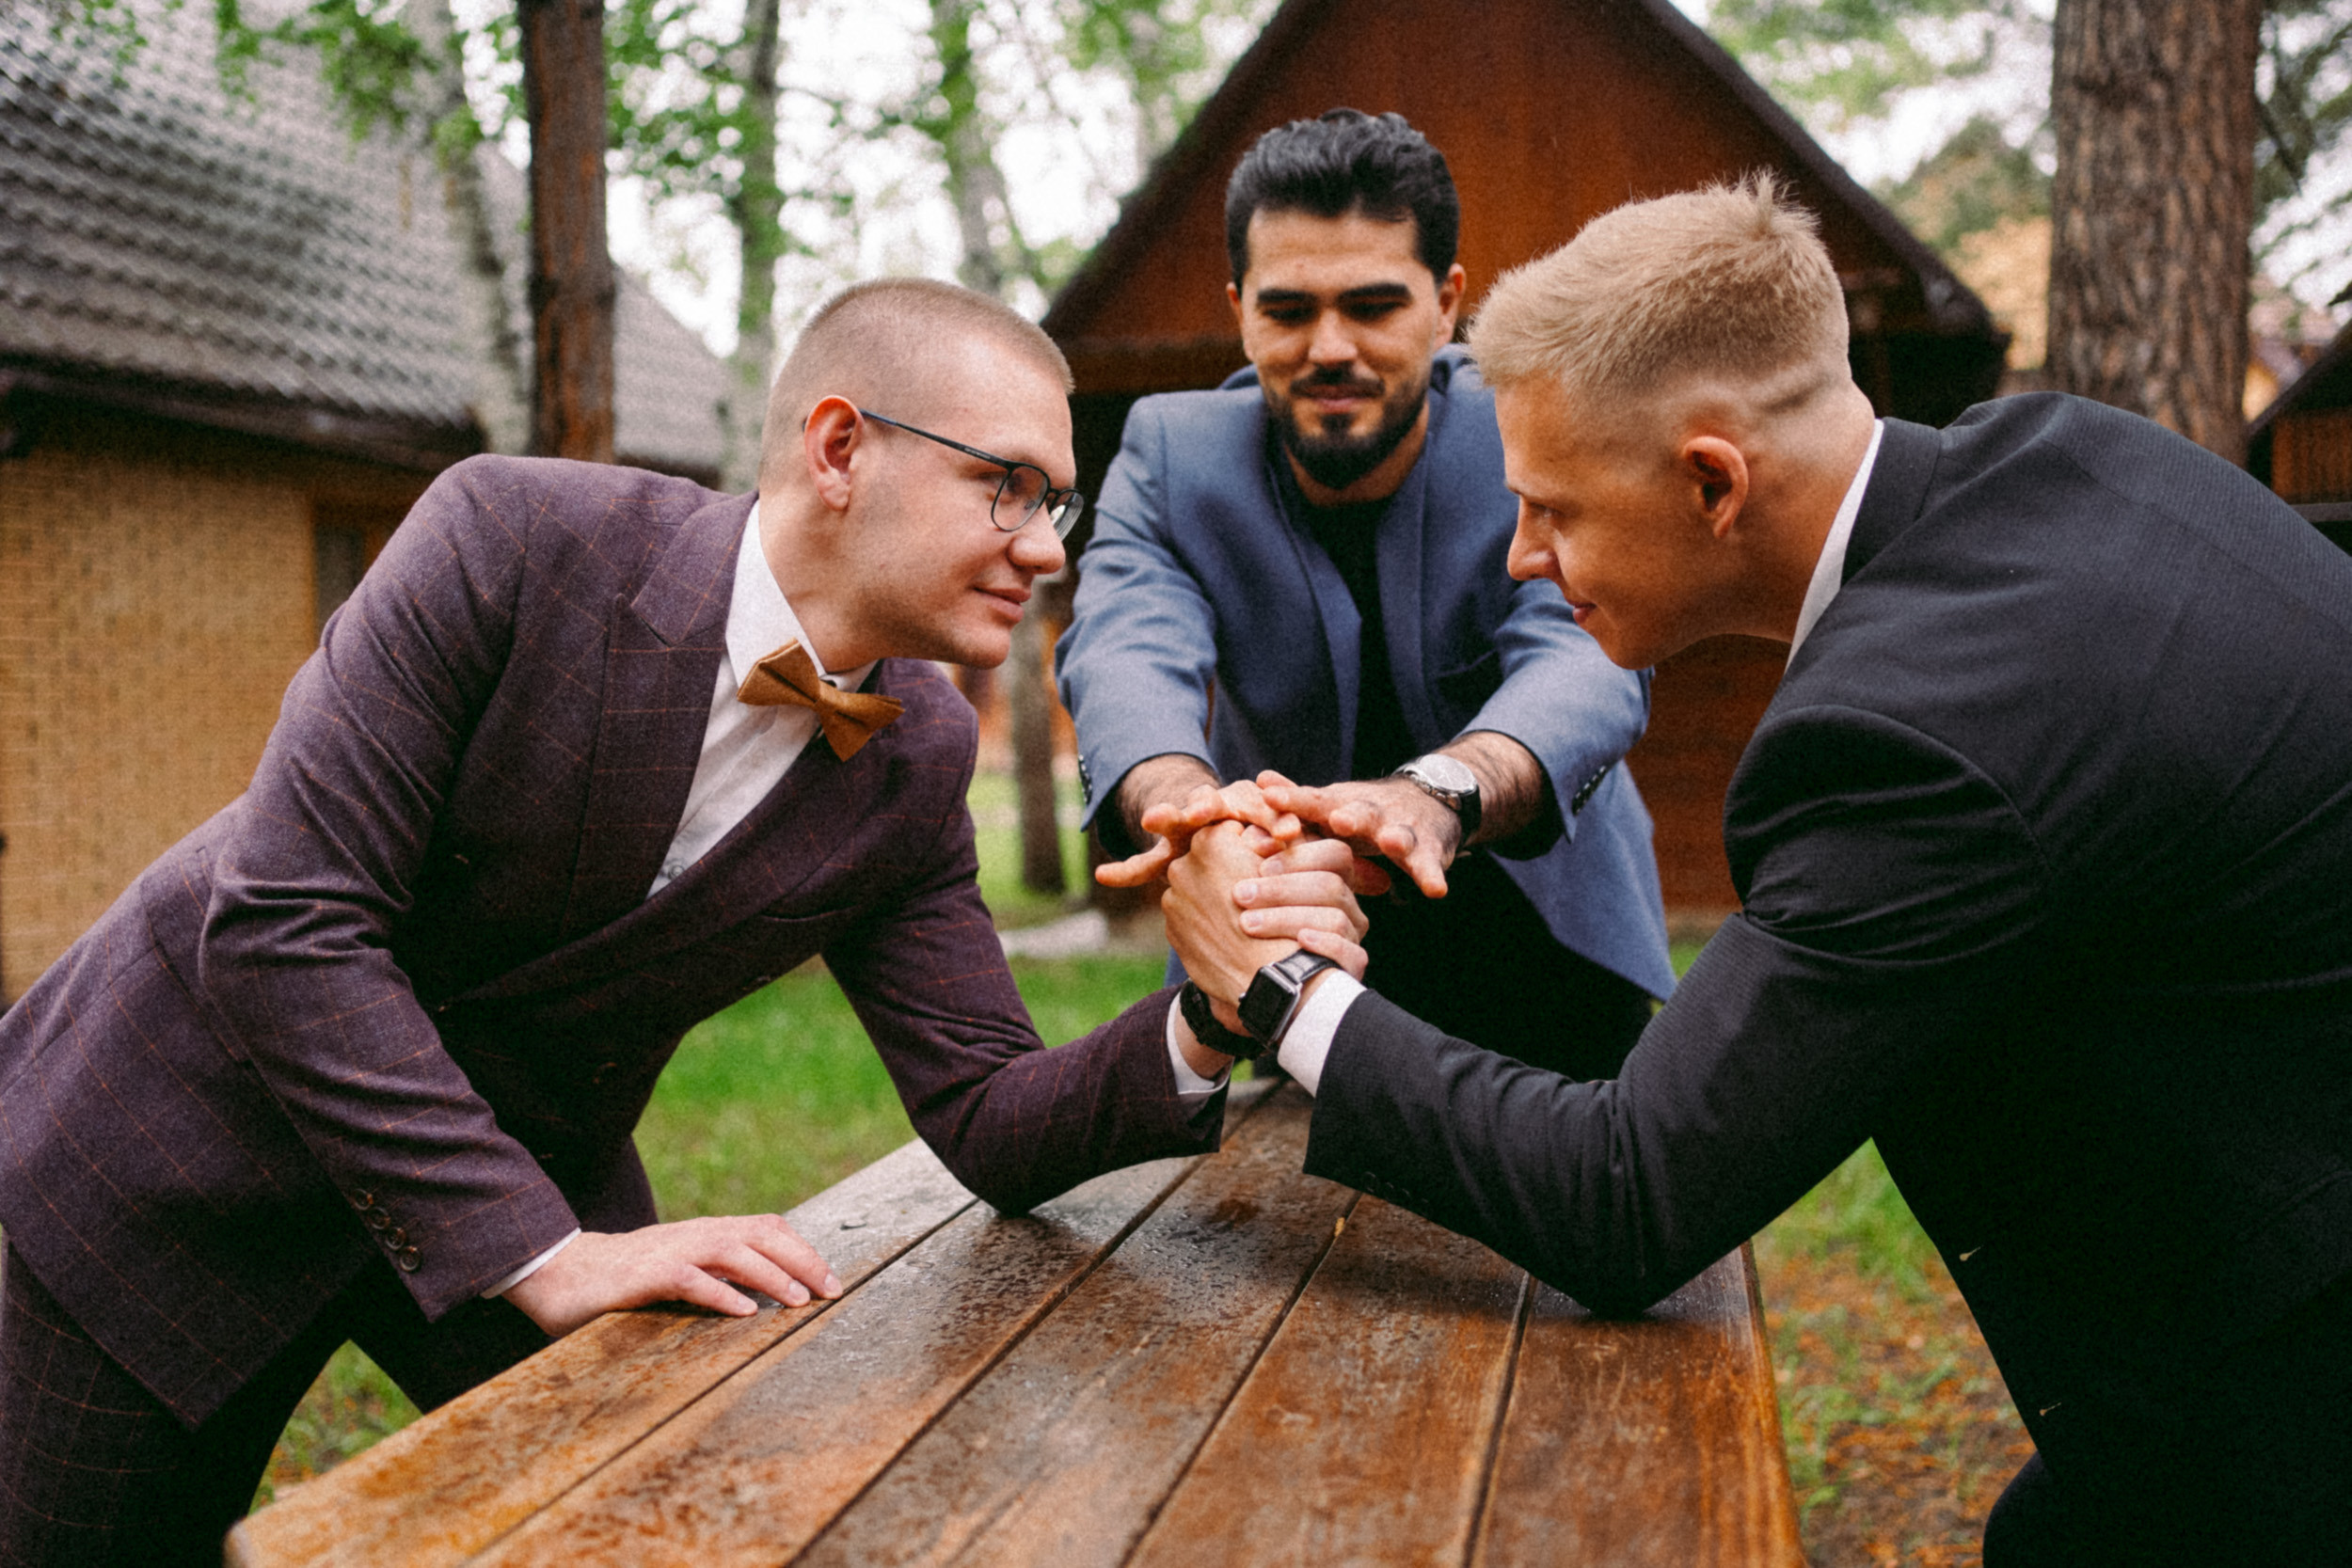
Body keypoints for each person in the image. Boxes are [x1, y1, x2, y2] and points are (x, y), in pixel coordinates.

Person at [0, 278, 1365, 1563]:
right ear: (841, 448)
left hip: (535, 1174)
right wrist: (545, 1251)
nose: (1037, 546)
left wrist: (1211, 1006)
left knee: (653, 1520)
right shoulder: (511, 536)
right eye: (1003, 484)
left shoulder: (915, 754)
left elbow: (992, 1108)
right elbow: (284, 920)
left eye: (1055, 504)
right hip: (168, 1150)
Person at [1162, 178, 2352, 1565]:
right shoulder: (2075, 455)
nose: (1523, 553)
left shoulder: (1912, 735)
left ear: (1713, 481)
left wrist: (1277, 983)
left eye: (1553, 507)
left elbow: (1627, 1191)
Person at [1057, 109, 1675, 1081]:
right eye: (1289, 309)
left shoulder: (1535, 428)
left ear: (1445, 303)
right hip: (1290, 936)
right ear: (1239, 308)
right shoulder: (1170, 454)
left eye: (1375, 305)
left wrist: (1435, 796)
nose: (1330, 347)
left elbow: (1582, 655)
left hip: (1552, 944)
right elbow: (1122, 645)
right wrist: (1187, 810)